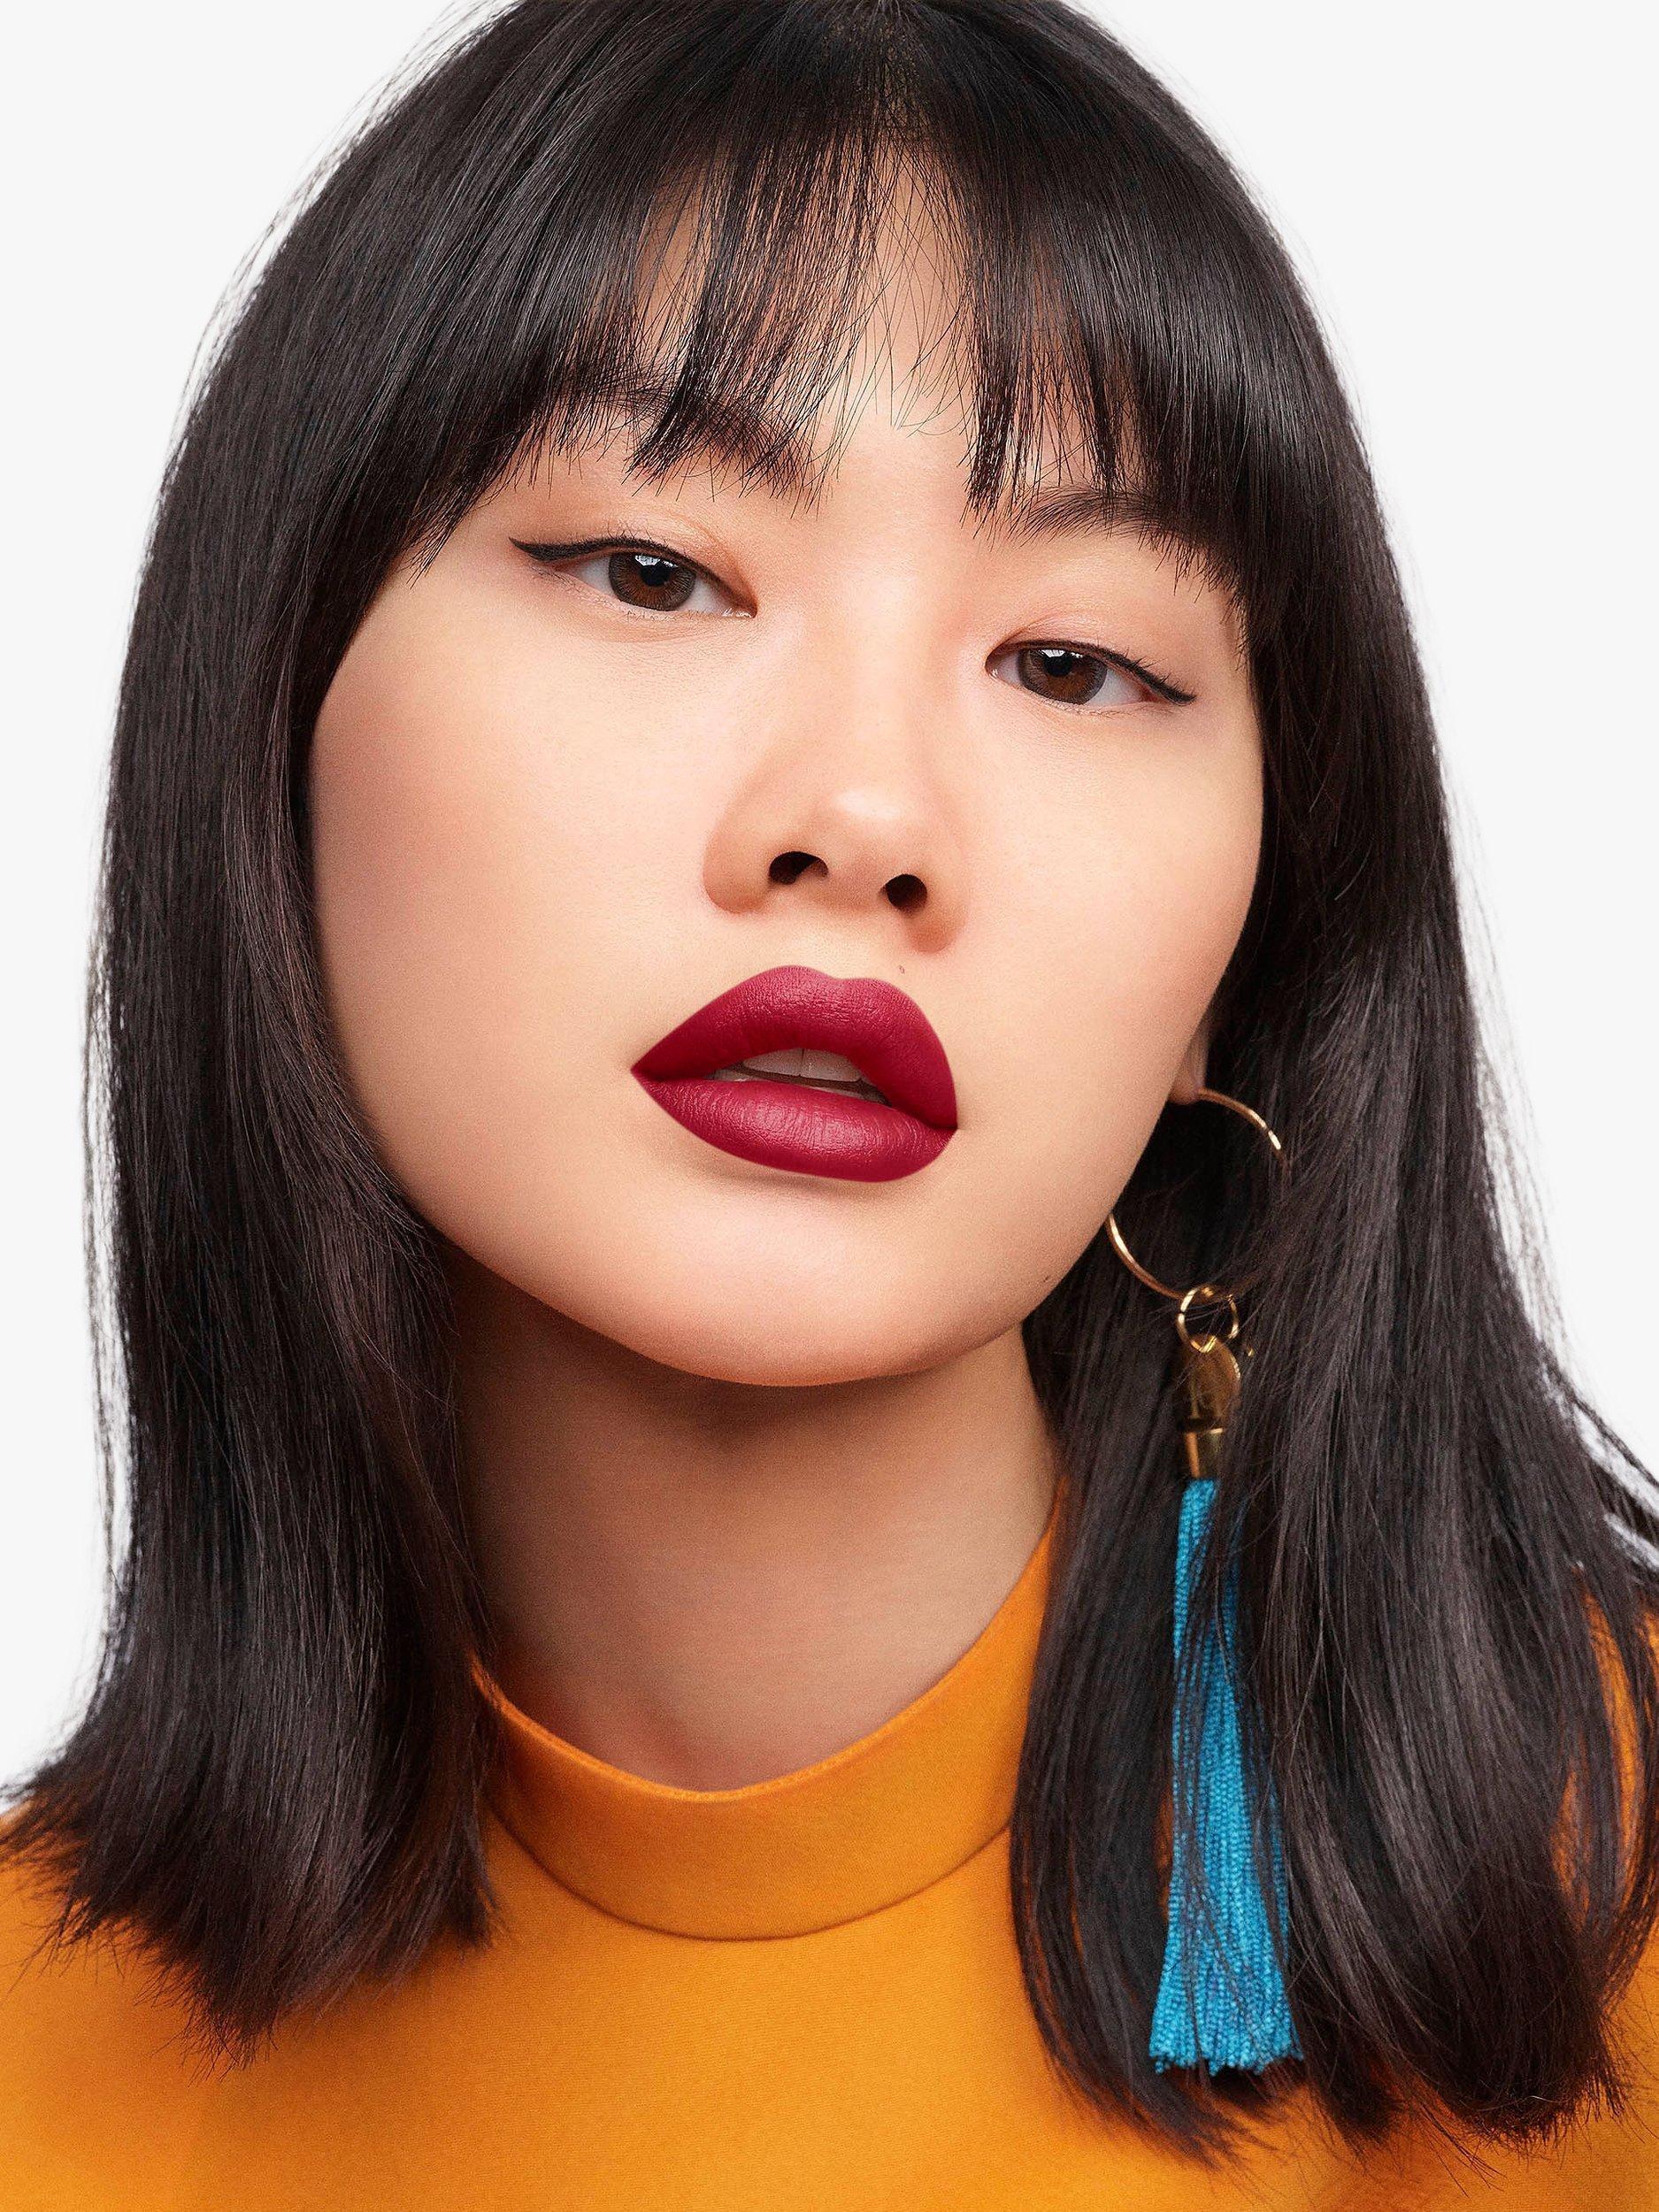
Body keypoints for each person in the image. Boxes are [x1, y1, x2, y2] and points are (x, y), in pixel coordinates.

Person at [4, 0, 1655, 2202]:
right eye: (653, 570)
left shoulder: (1609, 1904)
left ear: (1246, 955)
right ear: (274, 716)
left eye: (1070, 662)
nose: (862, 816)